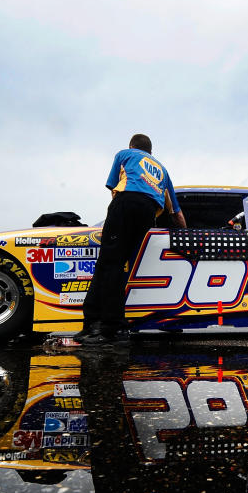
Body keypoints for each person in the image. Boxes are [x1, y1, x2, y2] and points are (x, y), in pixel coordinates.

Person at [77, 134, 186, 346]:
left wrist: (116, 216)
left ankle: (110, 328)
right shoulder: (162, 170)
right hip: (148, 213)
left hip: (126, 203)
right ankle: (94, 323)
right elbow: (177, 213)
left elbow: (114, 187)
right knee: (122, 266)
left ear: (132, 145)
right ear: (151, 152)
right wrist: (188, 234)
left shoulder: (125, 154)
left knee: (110, 264)